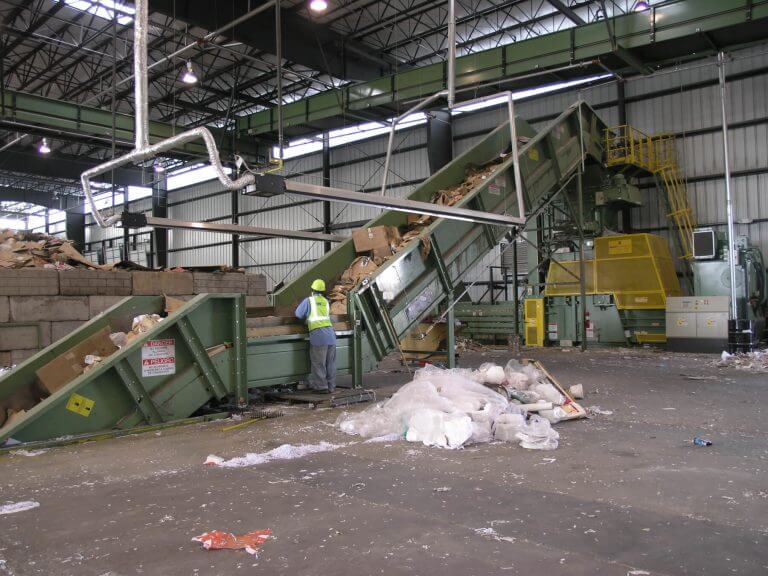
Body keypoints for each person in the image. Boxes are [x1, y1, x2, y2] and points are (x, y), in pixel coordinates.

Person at [295, 279, 337, 393]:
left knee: (318, 363)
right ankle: (331, 386)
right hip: (331, 335)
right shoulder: (326, 301)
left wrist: (306, 319)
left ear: (312, 290)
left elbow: (298, 314)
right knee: (330, 363)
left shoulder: (309, 301)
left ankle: (322, 387)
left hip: (319, 336)